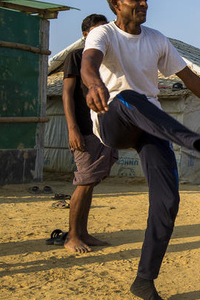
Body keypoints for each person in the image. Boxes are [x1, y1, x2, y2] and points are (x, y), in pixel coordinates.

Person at [82, 0, 200, 300]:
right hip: (113, 118)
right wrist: (95, 84)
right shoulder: (104, 33)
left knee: (168, 202)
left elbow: (191, 80)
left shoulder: (156, 39)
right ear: (116, 4)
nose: (144, 4)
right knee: (129, 96)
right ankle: (198, 143)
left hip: (150, 125)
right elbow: (89, 63)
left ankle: (144, 280)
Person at [62, 13, 118, 253]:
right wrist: (72, 128)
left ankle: (83, 232)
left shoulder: (106, 60)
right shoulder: (76, 57)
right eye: (96, 31)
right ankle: (72, 237)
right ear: (86, 35)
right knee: (84, 182)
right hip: (84, 129)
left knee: (91, 182)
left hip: (103, 129)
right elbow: (67, 93)